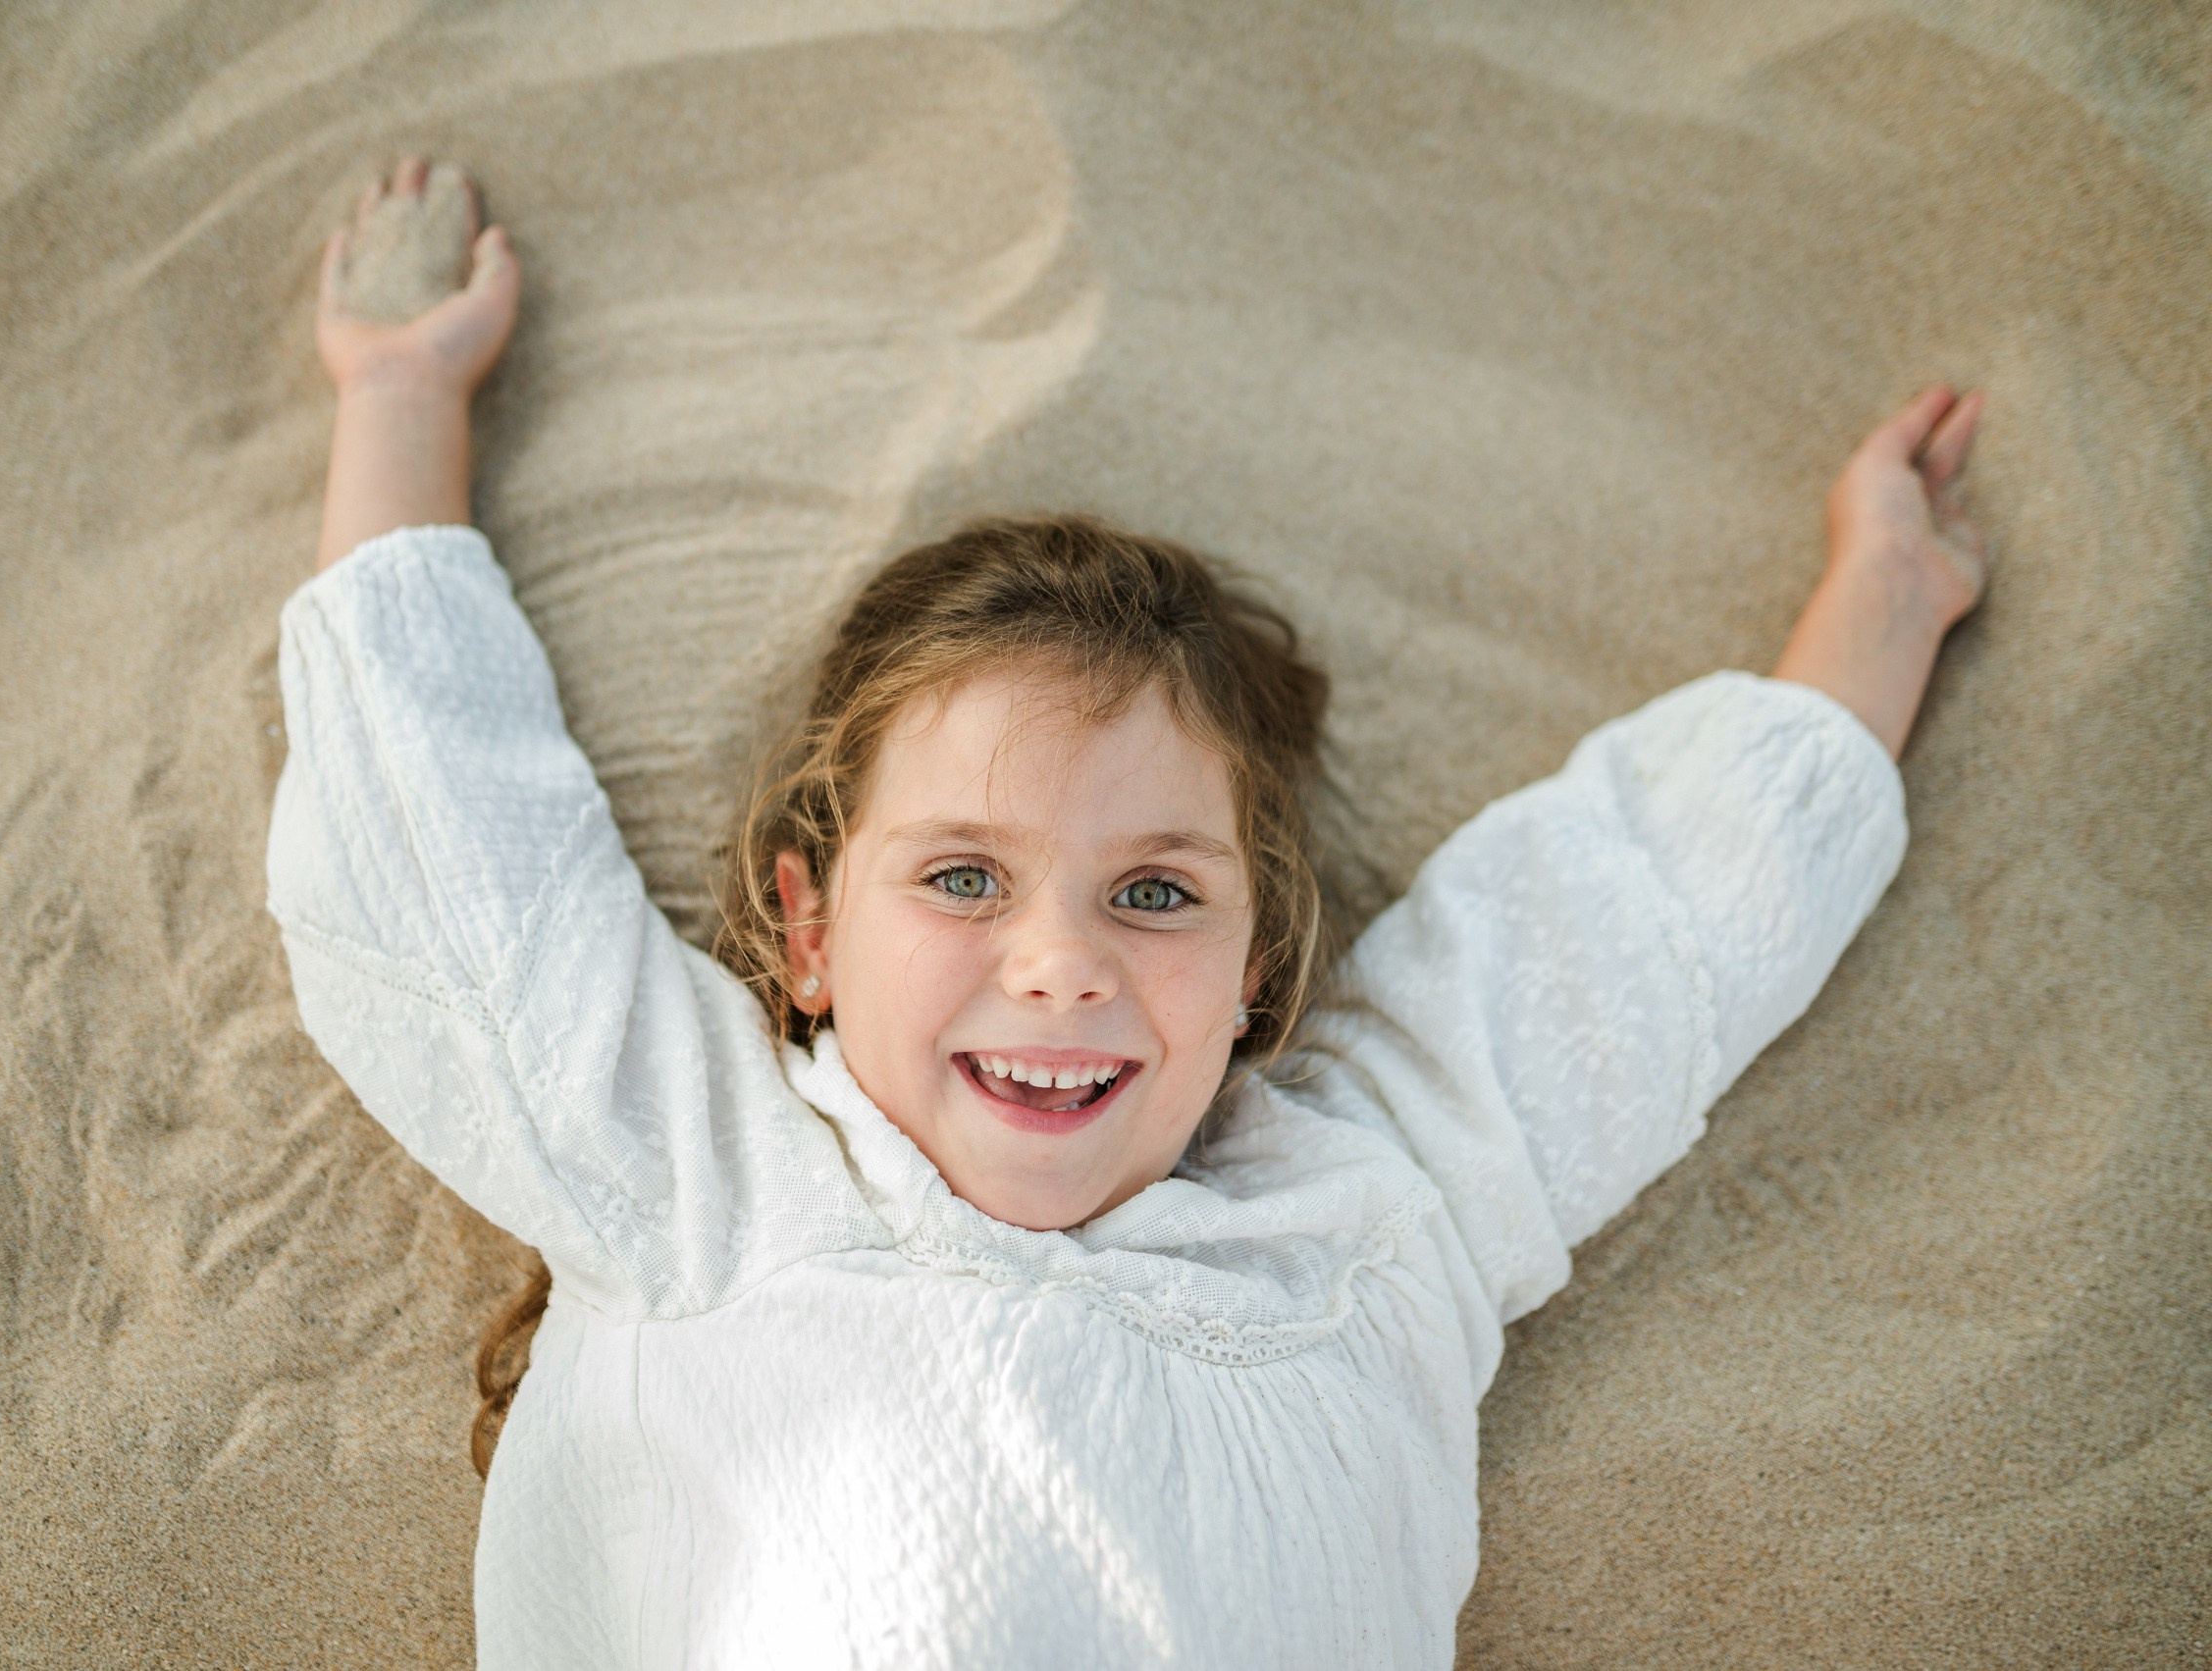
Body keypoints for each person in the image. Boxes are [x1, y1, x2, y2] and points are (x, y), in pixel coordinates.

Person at [272, 158, 1987, 1667]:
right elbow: (438, 846)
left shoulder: (1373, 1213)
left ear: (1250, 969)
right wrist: (405, 400)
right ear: (805, 930)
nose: (1061, 961)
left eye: (1154, 892)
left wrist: (1882, 606)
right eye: (961, 876)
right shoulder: (697, 1163)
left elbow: (1640, 930)